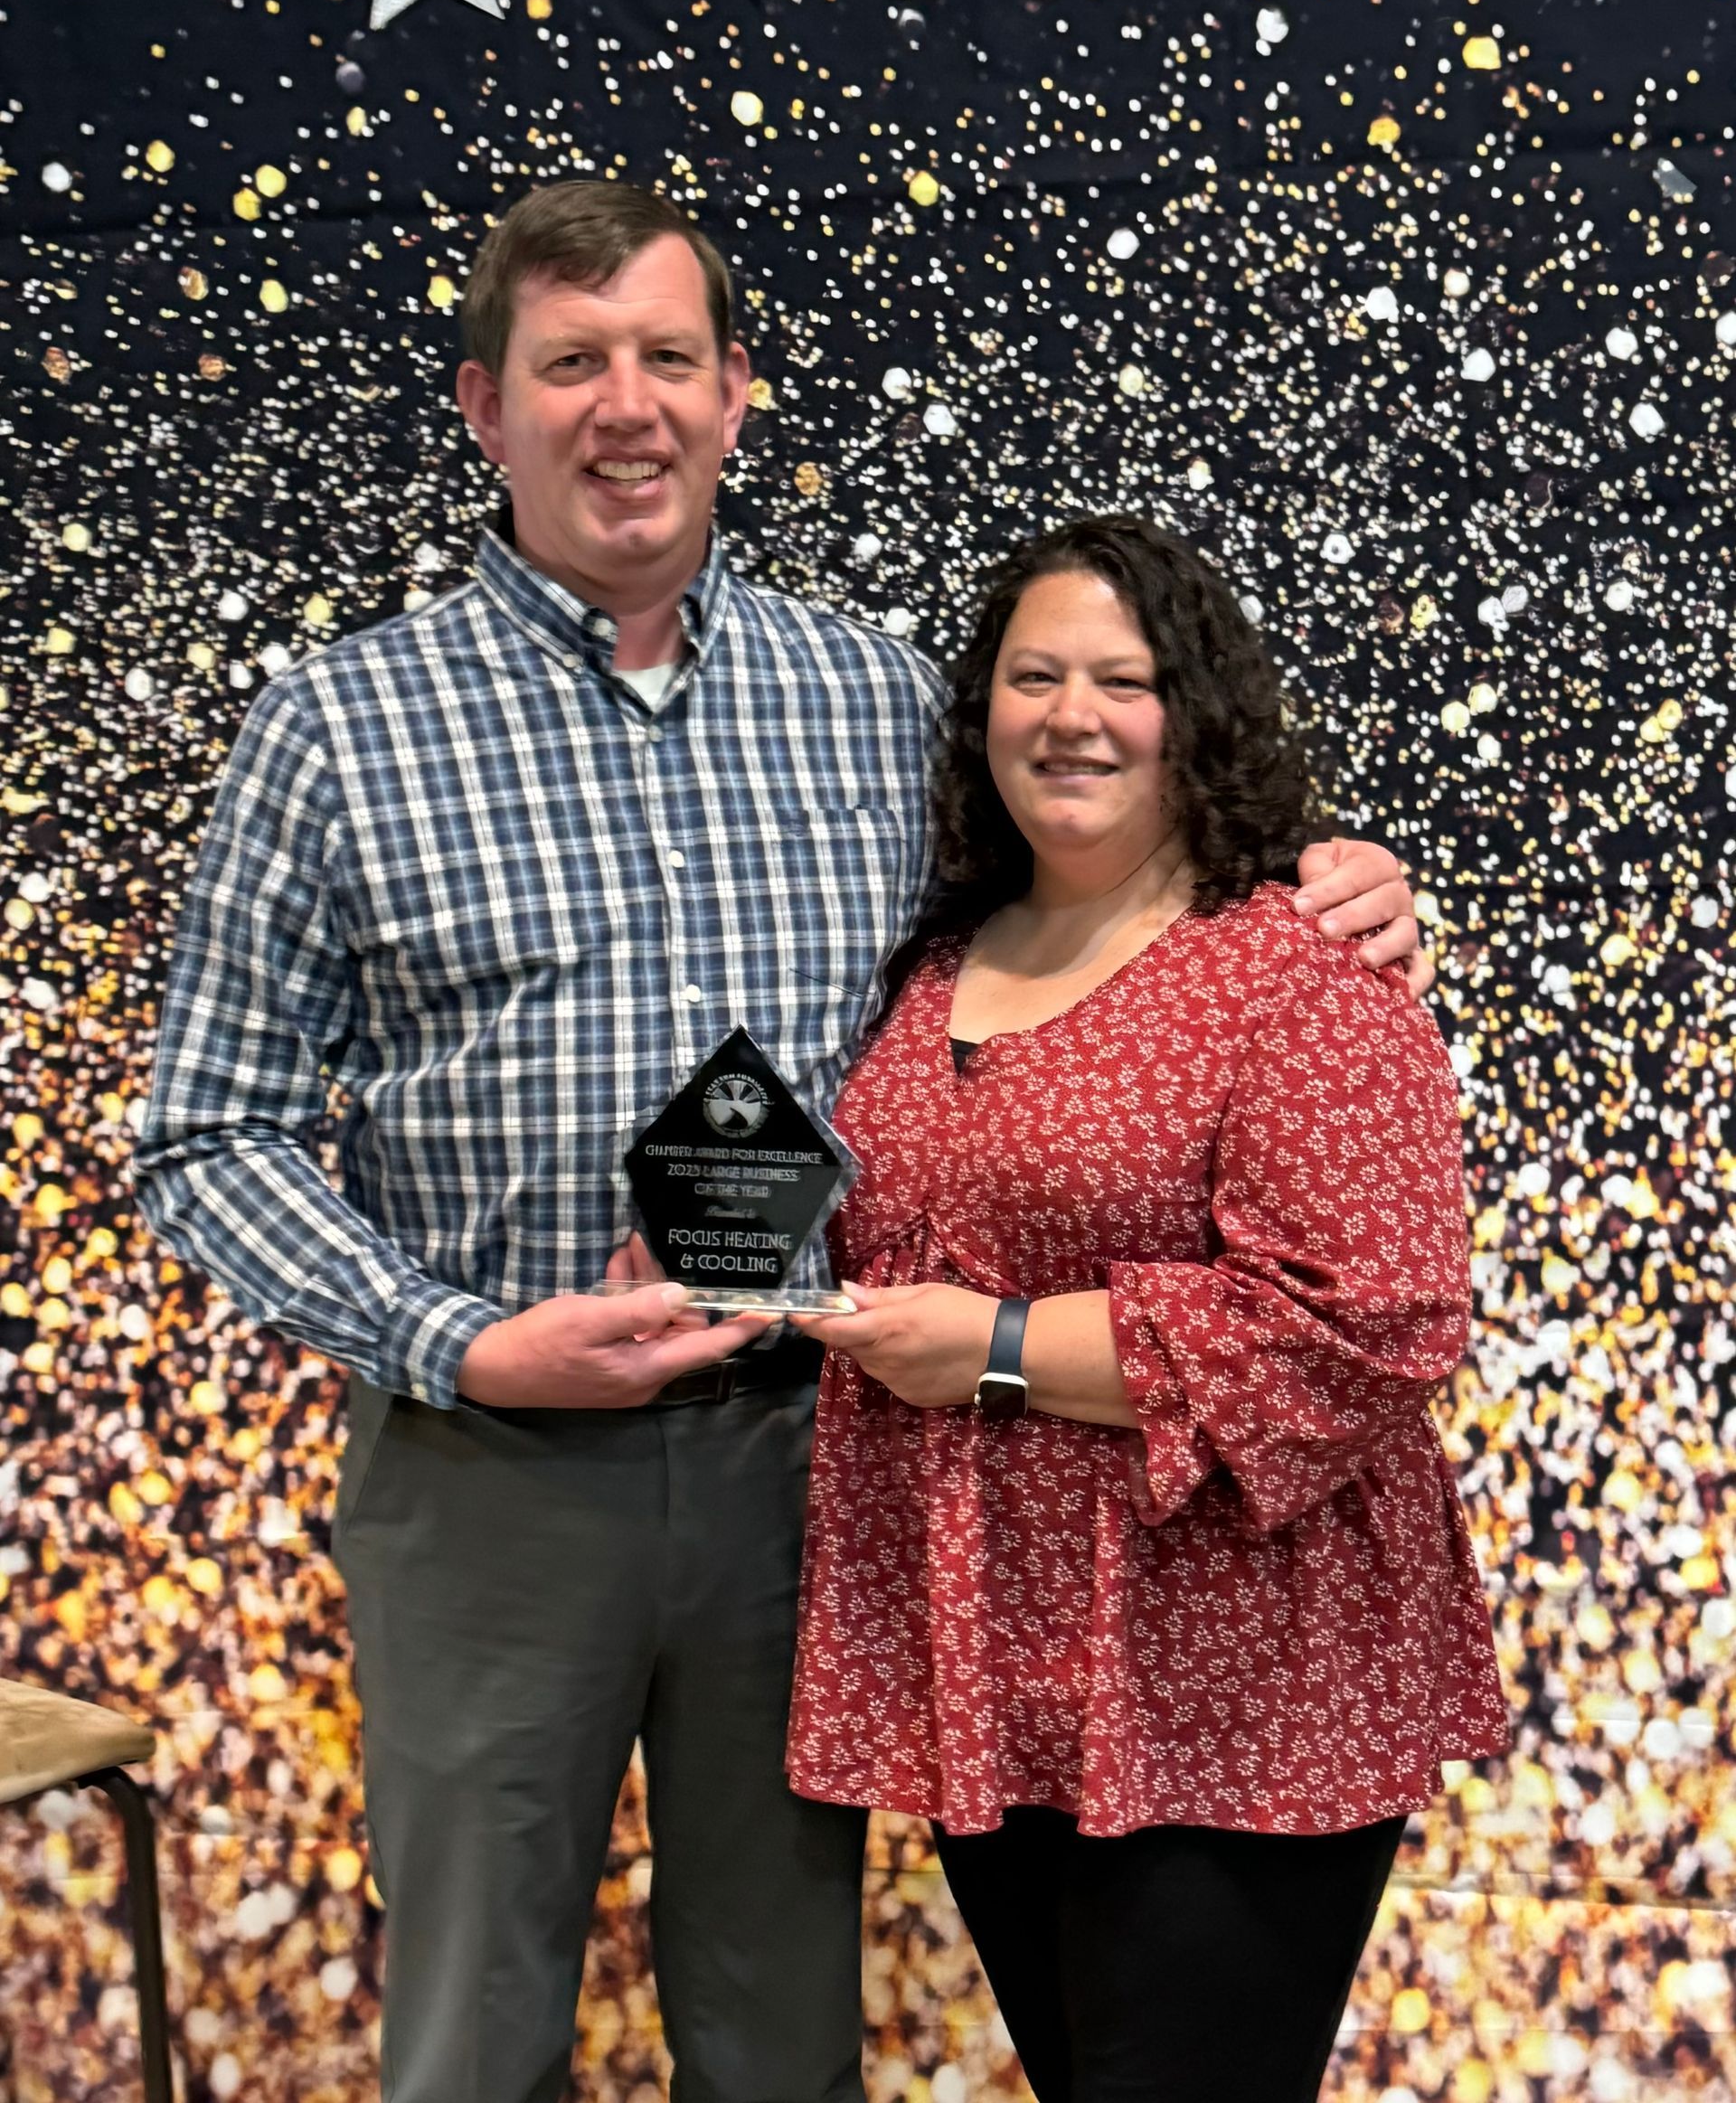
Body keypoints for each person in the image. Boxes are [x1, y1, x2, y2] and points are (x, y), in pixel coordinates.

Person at [134, 181, 1429, 2103]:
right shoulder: (338, 728)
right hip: (494, 1476)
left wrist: (1327, 874)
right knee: (475, 2030)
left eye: (667, 358)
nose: (624, 407)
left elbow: (1096, 898)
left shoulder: (883, 697)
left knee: (779, 2030)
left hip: (813, 1466)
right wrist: (456, 1339)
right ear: (487, 410)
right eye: (571, 364)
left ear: (737, 397)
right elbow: (203, 1132)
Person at [788, 517, 1509, 2103]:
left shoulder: (1299, 965)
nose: (1072, 714)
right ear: (978, 712)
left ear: (1198, 713)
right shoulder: (936, 959)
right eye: (1032, 675)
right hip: (1002, 1667)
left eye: (1125, 679)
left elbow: (1368, 1326)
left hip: (1237, 1687)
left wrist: (983, 1350)